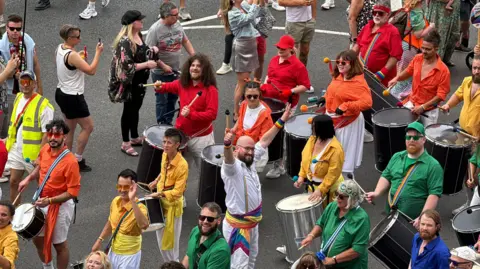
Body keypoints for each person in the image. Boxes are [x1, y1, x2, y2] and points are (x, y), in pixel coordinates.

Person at [222, 103, 292, 268]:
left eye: (252, 149)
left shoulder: (250, 161)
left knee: (251, 261)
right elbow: (228, 160)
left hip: (252, 225)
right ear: (236, 149)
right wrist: (226, 146)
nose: (250, 152)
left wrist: (281, 121)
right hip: (238, 228)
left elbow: (265, 140)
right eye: (246, 149)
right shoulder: (232, 169)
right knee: (239, 266)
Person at [18, 119, 81, 269]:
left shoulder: (70, 162)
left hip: (59, 205)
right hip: (42, 200)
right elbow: (41, 168)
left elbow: (72, 192)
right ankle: (47, 267)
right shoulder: (45, 148)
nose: (52, 137)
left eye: (57, 134)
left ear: (64, 137)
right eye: (50, 133)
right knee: (37, 239)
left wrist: (50, 201)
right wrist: (29, 178)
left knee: (59, 245)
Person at [365, 122, 444, 228]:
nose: (411, 140)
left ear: (424, 140)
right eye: (408, 137)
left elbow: (434, 195)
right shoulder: (397, 157)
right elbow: (386, 176)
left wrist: (423, 217)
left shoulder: (433, 166)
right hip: (390, 215)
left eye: (416, 137)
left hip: (413, 222)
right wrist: (377, 192)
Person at [153, 54, 218, 173]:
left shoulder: (211, 90)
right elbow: (167, 87)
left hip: (201, 138)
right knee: (177, 172)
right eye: (192, 65)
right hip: (181, 135)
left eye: (199, 66)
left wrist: (191, 115)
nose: (195, 68)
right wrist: (159, 86)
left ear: (205, 70)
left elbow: (212, 115)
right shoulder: (182, 83)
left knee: (206, 173)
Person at [261, 34, 311, 178]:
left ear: (291, 50)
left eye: (282, 48)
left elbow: (305, 86)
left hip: (286, 105)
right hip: (270, 101)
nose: (279, 50)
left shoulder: (298, 66)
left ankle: (279, 165)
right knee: (268, 130)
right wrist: (264, 85)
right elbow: (269, 77)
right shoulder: (274, 60)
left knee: (280, 133)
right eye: (278, 47)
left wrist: (291, 91)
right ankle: (270, 158)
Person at [55, 24, 104, 172]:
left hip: (61, 92)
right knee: (88, 127)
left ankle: (65, 160)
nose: (80, 38)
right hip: (73, 96)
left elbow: (68, 65)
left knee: (70, 128)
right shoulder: (73, 55)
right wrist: (98, 53)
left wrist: (80, 60)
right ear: (69, 38)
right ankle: (77, 159)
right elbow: (91, 70)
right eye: (77, 37)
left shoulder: (60, 48)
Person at [109, 10, 157, 157]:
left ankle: (135, 137)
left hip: (140, 81)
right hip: (130, 83)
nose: (142, 22)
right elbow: (127, 66)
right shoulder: (125, 42)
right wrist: (147, 64)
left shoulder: (138, 36)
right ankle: (125, 142)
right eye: (139, 20)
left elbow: (141, 52)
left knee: (136, 108)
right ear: (132, 23)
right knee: (128, 111)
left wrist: (151, 50)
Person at [5, 70, 54, 204]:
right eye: (22, 81)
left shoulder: (44, 106)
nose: (25, 85)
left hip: (34, 155)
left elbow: (47, 134)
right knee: (14, 182)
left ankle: (42, 215)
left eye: (29, 82)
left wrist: (40, 156)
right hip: (17, 150)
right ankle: (14, 214)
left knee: (42, 186)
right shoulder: (18, 97)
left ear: (35, 84)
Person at [299, 181, 370, 268]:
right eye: (337, 193)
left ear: (351, 199)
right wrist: (311, 235)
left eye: (341, 196)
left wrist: (334, 259)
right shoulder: (332, 206)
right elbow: (321, 224)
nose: (337, 198)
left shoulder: (362, 219)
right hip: (330, 263)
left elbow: (357, 250)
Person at [322, 49, 372, 175]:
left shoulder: (359, 83)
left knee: (342, 154)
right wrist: (324, 98)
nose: (339, 64)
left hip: (347, 123)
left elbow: (367, 102)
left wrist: (346, 106)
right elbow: (333, 91)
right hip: (332, 118)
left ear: (352, 64)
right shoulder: (338, 76)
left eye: (343, 63)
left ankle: (345, 181)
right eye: (338, 61)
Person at [146, 1, 195, 125]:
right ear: (166, 16)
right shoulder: (155, 30)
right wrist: (162, 65)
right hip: (160, 72)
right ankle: (161, 124)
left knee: (172, 98)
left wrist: (194, 57)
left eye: (177, 14)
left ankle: (168, 122)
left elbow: (185, 41)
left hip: (175, 70)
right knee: (161, 100)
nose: (177, 17)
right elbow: (149, 53)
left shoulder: (177, 24)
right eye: (174, 15)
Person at [388, 30, 450, 127]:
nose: (424, 51)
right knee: (404, 133)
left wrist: (422, 107)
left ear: (436, 48)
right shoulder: (417, 58)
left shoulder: (444, 71)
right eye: (422, 48)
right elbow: (408, 71)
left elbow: (440, 96)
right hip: (412, 104)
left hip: (428, 112)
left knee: (425, 139)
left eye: (428, 49)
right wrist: (397, 78)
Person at [91, 169, 149, 269]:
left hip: (129, 256)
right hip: (113, 251)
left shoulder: (140, 208)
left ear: (133, 187)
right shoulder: (115, 201)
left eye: (126, 187)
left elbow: (144, 225)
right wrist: (100, 239)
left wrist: (132, 200)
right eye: (119, 186)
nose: (122, 190)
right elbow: (111, 222)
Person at [146, 128, 188, 263]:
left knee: (171, 244)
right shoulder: (165, 155)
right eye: (164, 142)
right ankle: (169, 264)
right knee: (161, 242)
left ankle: (173, 265)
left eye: (169, 143)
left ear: (177, 145)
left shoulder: (182, 165)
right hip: (160, 202)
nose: (165, 145)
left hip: (172, 208)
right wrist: (156, 180)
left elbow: (178, 192)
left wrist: (161, 193)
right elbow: (163, 171)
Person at [0, 15, 43, 139]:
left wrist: (39, 85)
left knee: (30, 119)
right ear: (6, 28)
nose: (15, 32)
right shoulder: (1, 47)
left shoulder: (27, 40)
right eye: (12, 28)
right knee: (10, 124)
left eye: (18, 29)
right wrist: (12, 73)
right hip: (10, 92)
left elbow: (35, 63)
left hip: (29, 87)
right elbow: (3, 74)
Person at [224, 0, 262, 120]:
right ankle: (236, 112)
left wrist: (256, 4)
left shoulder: (242, 5)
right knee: (243, 83)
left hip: (249, 45)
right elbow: (250, 17)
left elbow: (256, 13)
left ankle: (239, 107)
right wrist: (255, 3)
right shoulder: (232, 13)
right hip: (243, 47)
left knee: (242, 81)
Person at [295, 115, 345, 204]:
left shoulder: (336, 149)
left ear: (322, 129)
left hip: (329, 191)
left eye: (314, 127)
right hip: (313, 188)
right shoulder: (312, 139)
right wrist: (301, 177)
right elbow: (305, 159)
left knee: (326, 216)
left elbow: (333, 174)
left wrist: (321, 190)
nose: (312, 129)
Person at [390, 0, 434, 100]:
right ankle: (394, 99)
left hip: (406, 45)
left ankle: (395, 97)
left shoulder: (408, 8)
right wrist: (431, 27)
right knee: (403, 78)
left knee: (401, 75)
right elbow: (418, 34)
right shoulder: (416, 12)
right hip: (411, 47)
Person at [352, 0, 403, 86]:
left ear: (388, 15)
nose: (376, 15)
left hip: (380, 79)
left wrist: (382, 73)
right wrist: (348, 57)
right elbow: (358, 44)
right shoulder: (368, 26)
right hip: (361, 73)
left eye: (380, 13)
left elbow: (395, 56)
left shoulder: (393, 32)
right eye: (374, 12)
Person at [230, 80, 273, 172]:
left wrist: (248, 151)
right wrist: (233, 130)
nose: (252, 99)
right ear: (244, 96)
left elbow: (264, 139)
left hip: (254, 151)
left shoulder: (265, 114)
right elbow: (240, 118)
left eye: (255, 96)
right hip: (242, 146)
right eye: (249, 96)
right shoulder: (244, 104)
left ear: (260, 95)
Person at [440, 54, 480, 137]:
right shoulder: (467, 81)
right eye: (474, 68)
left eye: (479, 69)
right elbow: (458, 96)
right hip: (462, 132)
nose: (476, 72)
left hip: (477, 138)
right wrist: (448, 105)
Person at [181, 202, 230, 269]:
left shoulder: (220, 250)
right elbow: (189, 256)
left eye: (210, 219)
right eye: (202, 217)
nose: (205, 221)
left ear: (218, 221)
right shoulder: (195, 231)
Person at [279, 0, 317, 79]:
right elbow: (281, 2)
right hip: (294, 22)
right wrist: (301, 2)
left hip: (309, 21)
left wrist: (313, 18)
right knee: (291, 52)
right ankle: (290, 78)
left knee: (305, 50)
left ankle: (301, 77)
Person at [425, 0, 460, 66]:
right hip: (439, 11)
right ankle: (436, 63)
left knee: (453, 36)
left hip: (453, 10)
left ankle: (445, 60)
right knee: (439, 36)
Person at [0, 200, 19, 269]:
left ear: (11, 218)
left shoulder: (12, 237)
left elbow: (7, 265)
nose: (0, 218)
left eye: (4, 215)